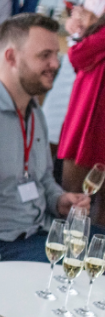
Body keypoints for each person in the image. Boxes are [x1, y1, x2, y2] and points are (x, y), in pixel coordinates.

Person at [0, 14, 89, 266]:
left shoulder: (34, 111)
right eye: (44, 55)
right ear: (11, 57)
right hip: (0, 244)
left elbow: (44, 178)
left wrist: (59, 201)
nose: (55, 64)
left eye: (55, 55)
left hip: (39, 231)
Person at [59, 13, 105, 226]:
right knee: (73, 202)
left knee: (94, 213)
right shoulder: (99, 30)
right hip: (85, 125)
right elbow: (76, 56)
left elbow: (77, 55)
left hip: (92, 128)